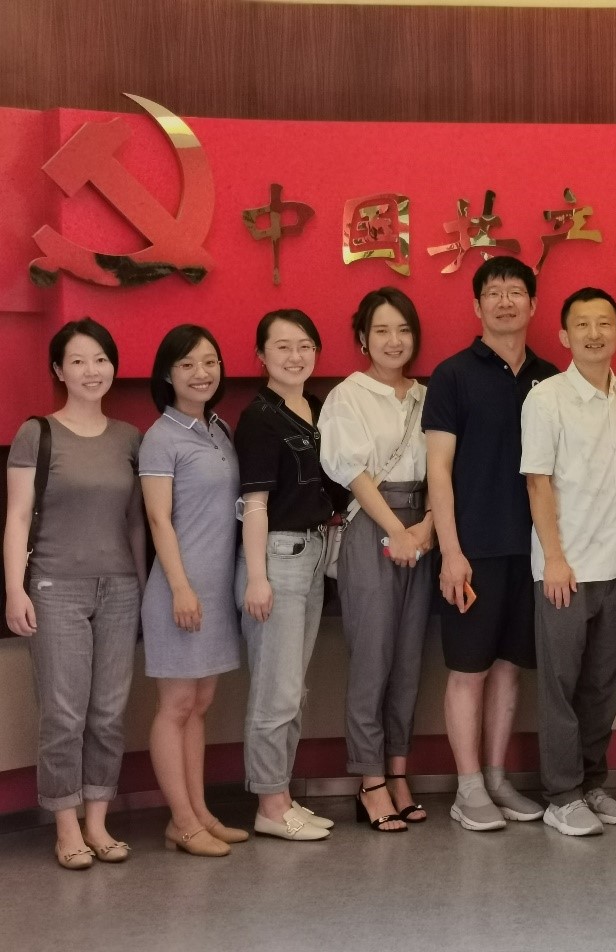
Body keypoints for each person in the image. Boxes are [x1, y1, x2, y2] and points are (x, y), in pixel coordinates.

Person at [3, 318, 146, 870]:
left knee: (108, 713)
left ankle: (98, 823)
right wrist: (14, 590)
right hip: (55, 587)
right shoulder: (37, 433)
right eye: (79, 361)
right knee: (64, 714)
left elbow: (136, 523)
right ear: (59, 370)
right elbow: (17, 517)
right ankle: (66, 828)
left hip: (121, 590)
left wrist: (144, 588)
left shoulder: (129, 437)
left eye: (101, 359)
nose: (92, 370)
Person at [424, 256, 558, 831]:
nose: (505, 301)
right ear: (477, 305)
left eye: (515, 292)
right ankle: (468, 786)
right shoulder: (452, 375)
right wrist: (451, 552)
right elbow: (438, 470)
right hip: (473, 549)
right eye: (494, 292)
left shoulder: (552, 378)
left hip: (532, 551)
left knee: (509, 668)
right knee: (468, 669)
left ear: (533, 304)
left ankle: (499, 778)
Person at [521, 287, 616, 837]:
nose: (594, 334)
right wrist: (554, 559)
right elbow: (538, 482)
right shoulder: (546, 399)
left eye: (604, 323)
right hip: (566, 568)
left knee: (604, 683)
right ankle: (561, 795)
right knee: (561, 687)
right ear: (564, 336)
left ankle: (592, 784)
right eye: (582, 325)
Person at [319, 287, 433, 833]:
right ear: (363, 338)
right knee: (373, 659)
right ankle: (369, 781)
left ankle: (398, 773)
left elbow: (445, 469)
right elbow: (352, 472)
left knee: (409, 660)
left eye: (403, 330)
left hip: (423, 529)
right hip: (373, 527)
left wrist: (427, 527)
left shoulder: (428, 396)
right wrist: (397, 531)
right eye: (382, 330)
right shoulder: (349, 395)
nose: (394, 341)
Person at [140, 326, 244, 857]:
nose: (201, 373)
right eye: (187, 364)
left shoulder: (219, 429)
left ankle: (200, 812)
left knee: (200, 704)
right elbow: (158, 519)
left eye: (210, 361)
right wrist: (180, 587)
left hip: (217, 590)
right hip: (179, 589)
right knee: (177, 703)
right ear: (168, 374)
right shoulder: (161, 436)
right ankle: (180, 822)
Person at [235, 309, 337, 842]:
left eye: (304, 345)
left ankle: (283, 794)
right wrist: (257, 577)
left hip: (315, 554)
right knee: (275, 690)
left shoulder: (318, 409)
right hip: (278, 556)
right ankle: (269, 805)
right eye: (282, 347)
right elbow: (254, 503)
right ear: (261, 356)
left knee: (294, 688)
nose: (295, 356)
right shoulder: (259, 417)